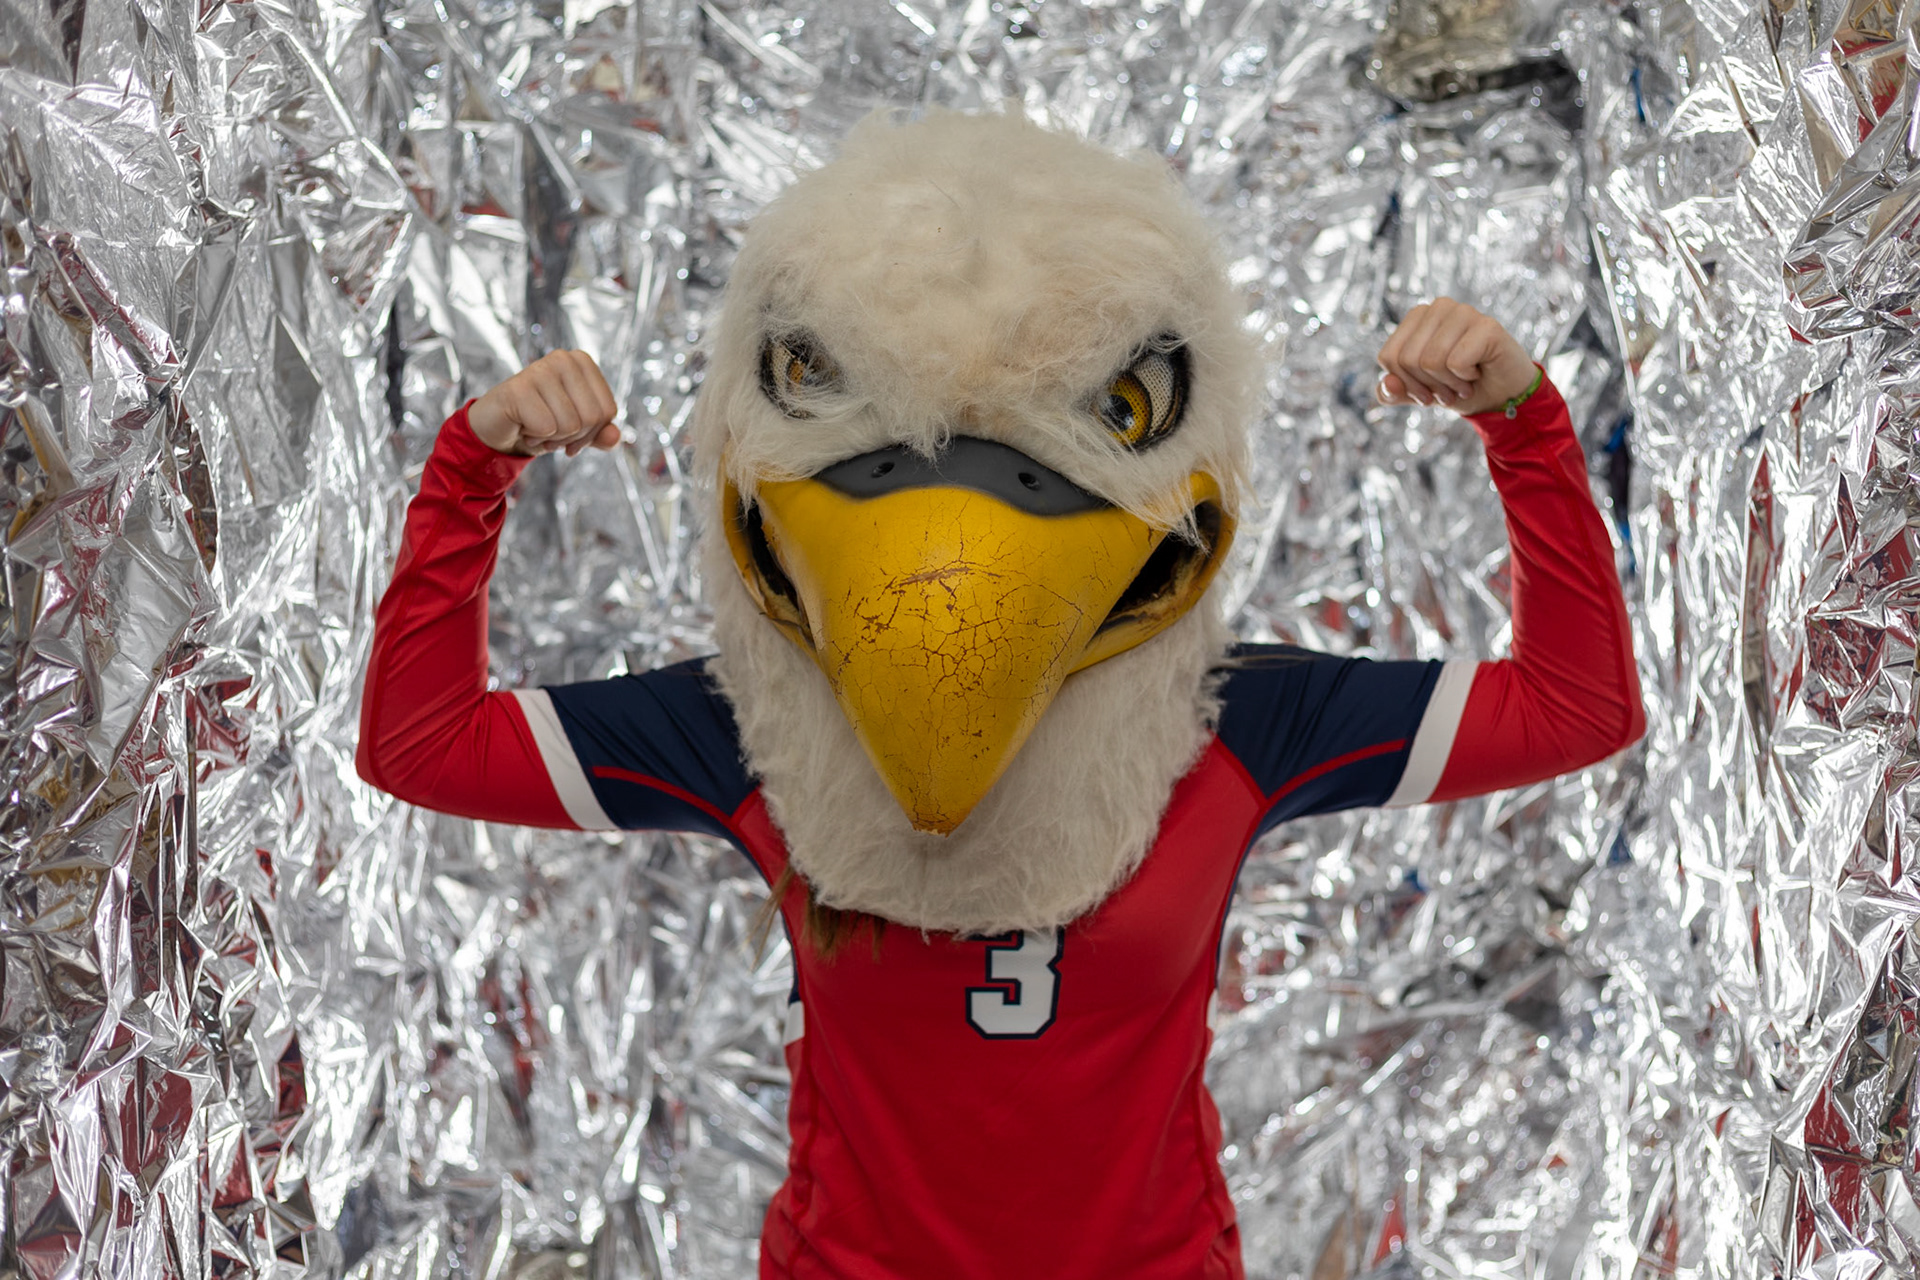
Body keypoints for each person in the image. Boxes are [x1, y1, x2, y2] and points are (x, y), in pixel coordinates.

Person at [359, 118, 1641, 1280]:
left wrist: (1522, 423)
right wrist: (476, 464)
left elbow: (1577, 707)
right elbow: (422, 744)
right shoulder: (756, 728)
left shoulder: (1232, 720)